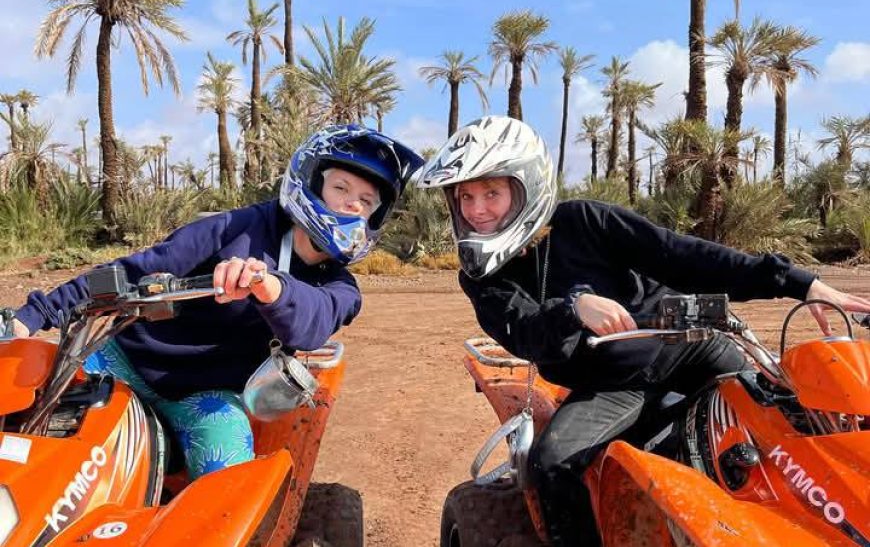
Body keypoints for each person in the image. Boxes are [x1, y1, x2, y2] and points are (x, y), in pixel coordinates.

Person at [414, 115, 870, 546]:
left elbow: (682, 255)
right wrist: (574, 309)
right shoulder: (483, 279)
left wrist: (799, 283)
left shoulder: (584, 221)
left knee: (794, 418)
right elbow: (526, 332)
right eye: (465, 197)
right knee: (551, 464)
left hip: (690, 348)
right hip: (611, 383)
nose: (477, 210)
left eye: (492, 192)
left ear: (525, 186)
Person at [12, 124, 424, 480]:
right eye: (341, 188)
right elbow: (132, 271)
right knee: (23, 410)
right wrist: (30, 317)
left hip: (208, 396)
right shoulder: (233, 228)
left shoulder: (341, 287)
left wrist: (268, 286)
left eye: (367, 201)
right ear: (311, 183)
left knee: (228, 488)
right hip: (124, 360)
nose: (353, 204)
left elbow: (310, 324)